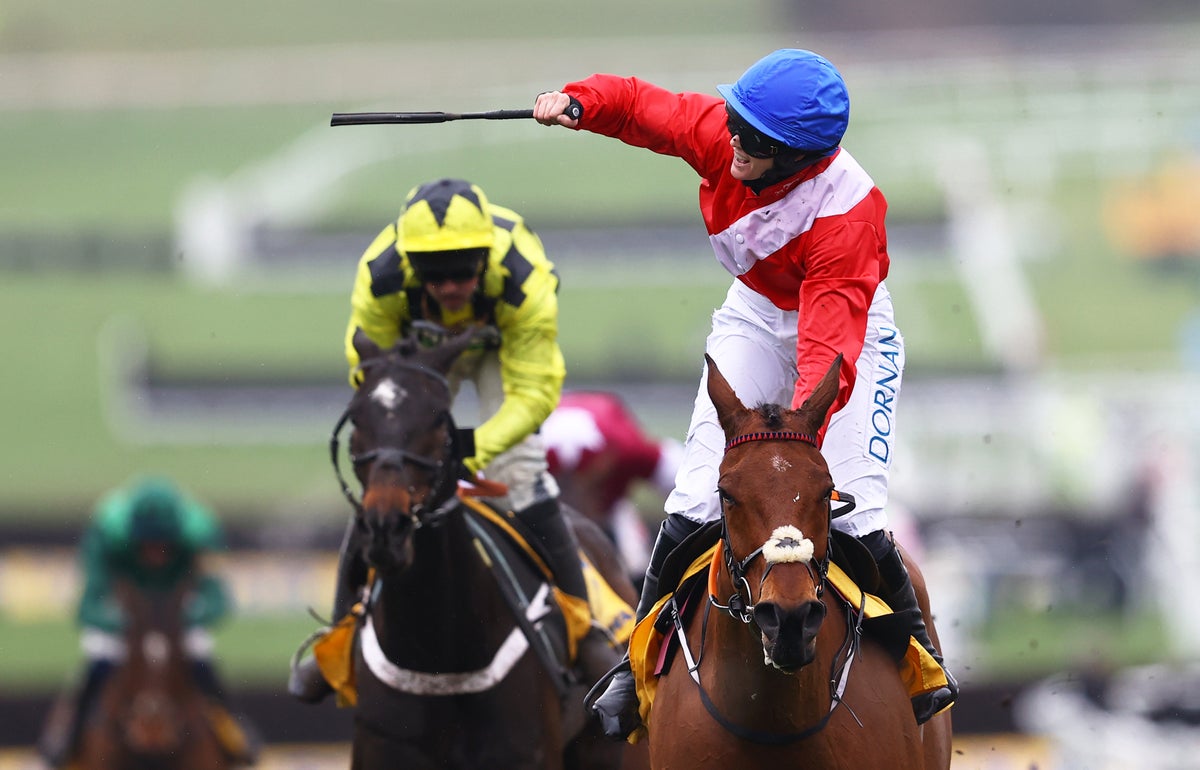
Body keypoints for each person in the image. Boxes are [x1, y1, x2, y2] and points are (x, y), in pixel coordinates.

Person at [533, 48, 958, 737]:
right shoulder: (731, 132)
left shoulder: (845, 215)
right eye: (736, 123)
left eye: (754, 140)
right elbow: (647, 107)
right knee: (694, 498)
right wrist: (582, 103)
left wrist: (794, 445)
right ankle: (633, 668)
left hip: (847, 332)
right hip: (756, 316)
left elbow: (826, 351)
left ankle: (918, 658)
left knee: (855, 511)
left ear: (799, 158)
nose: (734, 142)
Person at [288, 177, 616, 702]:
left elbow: (533, 393)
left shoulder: (522, 277)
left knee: (519, 473)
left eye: (464, 269)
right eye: (435, 274)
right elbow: (370, 380)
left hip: (500, 356)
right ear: (412, 267)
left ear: (487, 258)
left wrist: (469, 451)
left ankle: (583, 628)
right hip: (415, 359)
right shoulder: (380, 276)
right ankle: (341, 634)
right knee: (387, 482)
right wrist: (401, 448)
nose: (450, 286)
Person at [37, 476, 258, 767]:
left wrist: (186, 619)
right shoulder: (105, 531)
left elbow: (217, 600)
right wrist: (123, 627)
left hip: (177, 611)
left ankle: (234, 729)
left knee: (200, 659)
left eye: (164, 544)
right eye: (147, 543)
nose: (155, 552)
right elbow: (87, 605)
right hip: (124, 613)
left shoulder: (201, 532)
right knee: (99, 660)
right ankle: (67, 736)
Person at [542, 390, 682, 581]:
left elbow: (689, 485)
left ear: (606, 465)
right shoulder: (528, 461)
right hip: (550, 503)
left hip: (611, 507)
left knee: (636, 560)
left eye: (595, 489)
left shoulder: (629, 450)